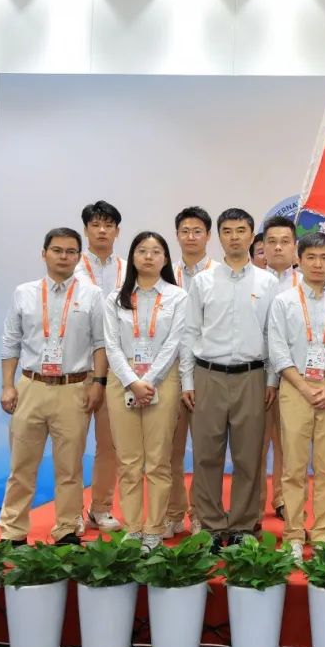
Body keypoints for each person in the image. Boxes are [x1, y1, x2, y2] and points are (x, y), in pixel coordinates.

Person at [0, 228, 106, 545]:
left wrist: (98, 384)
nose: (63, 256)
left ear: (78, 257)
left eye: (71, 251)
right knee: (21, 466)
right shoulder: (24, 293)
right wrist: (7, 386)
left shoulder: (92, 295)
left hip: (74, 387)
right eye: (57, 250)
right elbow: (10, 342)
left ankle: (67, 529)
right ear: (43, 253)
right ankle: (13, 531)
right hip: (30, 386)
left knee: (69, 467)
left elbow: (101, 344)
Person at [180, 208, 278, 549]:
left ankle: (242, 526)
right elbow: (190, 332)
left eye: (241, 230)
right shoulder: (203, 281)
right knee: (206, 454)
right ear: (218, 236)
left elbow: (271, 334)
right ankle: (209, 525)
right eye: (227, 231)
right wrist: (187, 381)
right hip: (208, 375)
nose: (234, 237)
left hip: (252, 377)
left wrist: (271, 380)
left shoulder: (267, 282)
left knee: (248, 456)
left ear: (252, 235)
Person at [268, 232, 325, 561]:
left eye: (324, 257)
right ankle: (293, 533)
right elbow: (278, 350)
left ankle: (323, 534)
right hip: (295, 386)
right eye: (311, 257)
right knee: (294, 466)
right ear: (298, 261)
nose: (318, 264)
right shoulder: (284, 301)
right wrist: (303, 388)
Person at [103, 232, 187, 553]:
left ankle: (154, 528)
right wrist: (132, 381)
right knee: (128, 461)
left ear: (165, 258)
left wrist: (148, 380)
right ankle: (133, 527)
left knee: (158, 461)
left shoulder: (177, 297)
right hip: (122, 380)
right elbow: (111, 345)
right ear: (132, 257)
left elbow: (174, 343)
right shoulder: (115, 299)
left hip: (162, 381)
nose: (149, 257)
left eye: (156, 251)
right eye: (142, 251)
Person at [73, 200, 125, 533]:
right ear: (86, 229)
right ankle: (71, 511)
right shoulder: (72, 267)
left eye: (108, 225)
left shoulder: (127, 269)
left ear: (117, 231)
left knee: (110, 444)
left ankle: (101, 508)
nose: (102, 230)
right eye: (96, 224)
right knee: (72, 444)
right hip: (79, 367)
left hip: (117, 368)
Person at [165, 206, 214, 538]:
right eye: (185, 231)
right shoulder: (165, 274)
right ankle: (172, 512)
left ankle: (200, 512)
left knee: (206, 450)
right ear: (177, 235)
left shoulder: (220, 275)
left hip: (207, 371)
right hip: (168, 370)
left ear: (208, 235)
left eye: (197, 231)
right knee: (169, 448)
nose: (191, 237)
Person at [258, 215, 301, 525]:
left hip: (293, 377)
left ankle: (285, 499)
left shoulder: (308, 285)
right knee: (255, 444)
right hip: (255, 374)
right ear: (262, 246)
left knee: (289, 443)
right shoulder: (253, 282)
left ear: (295, 247)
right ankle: (255, 502)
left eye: (285, 242)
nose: (277, 248)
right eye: (271, 242)